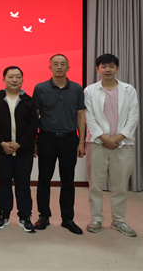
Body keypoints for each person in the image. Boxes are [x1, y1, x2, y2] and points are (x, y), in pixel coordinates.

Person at [84, 54, 139, 237]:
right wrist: (104, 138)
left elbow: (133, 115)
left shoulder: (129, 90)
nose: (107, 69)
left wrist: (119, 137)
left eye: (111, 66)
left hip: (122, 145)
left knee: (120, 186)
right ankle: (96, 219)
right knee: (95, 185)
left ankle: (119, 220)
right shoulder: (90, 91)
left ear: (117, 68)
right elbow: (89, 116)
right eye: (104, 66)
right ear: (97, 69)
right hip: (97, 144)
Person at [33, 54, 86, 235]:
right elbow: (35, 116)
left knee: (68, 180)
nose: (59, 67)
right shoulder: (40, 88)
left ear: (68, 68)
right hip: (46, 139)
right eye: (55, 64)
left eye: (63, 64)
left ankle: (67, 218)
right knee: (44, 179)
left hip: (69, 139)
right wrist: (34, 141)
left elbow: (80, 116)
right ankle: (44, 216)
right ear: (50, 67)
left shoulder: (77, 88)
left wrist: (81, 142)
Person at [0, 66, 38, 232]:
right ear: (4, 79)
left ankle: (25, 216)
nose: (14, 80)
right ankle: (3, 215)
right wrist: (2, 143)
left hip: (24, 150)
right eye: (11, 77)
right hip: (1, 150)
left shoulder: (29, 101)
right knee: (4, 182)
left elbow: (33, 126)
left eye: (18, 76)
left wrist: (19, 144)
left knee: (23, 184)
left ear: (22, 79)